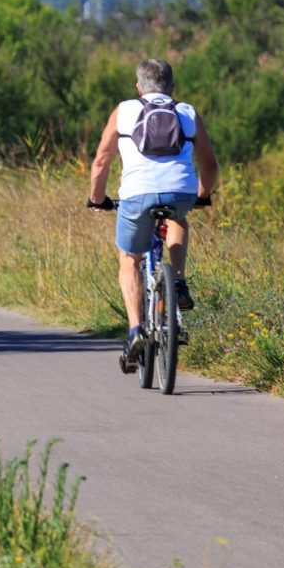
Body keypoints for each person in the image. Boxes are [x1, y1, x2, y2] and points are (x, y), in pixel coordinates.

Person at [86, 58, 219, 365]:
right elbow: (210, 165)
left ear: (138, 87)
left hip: (136, 195)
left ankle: (135, 330)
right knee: (178, 216)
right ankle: (178, 281)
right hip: (180, 191)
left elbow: (101, 162)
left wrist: (97, 199)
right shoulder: (187, 112)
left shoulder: (125, 110)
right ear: (172, 87)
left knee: (129, 259)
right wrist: (202, 194)